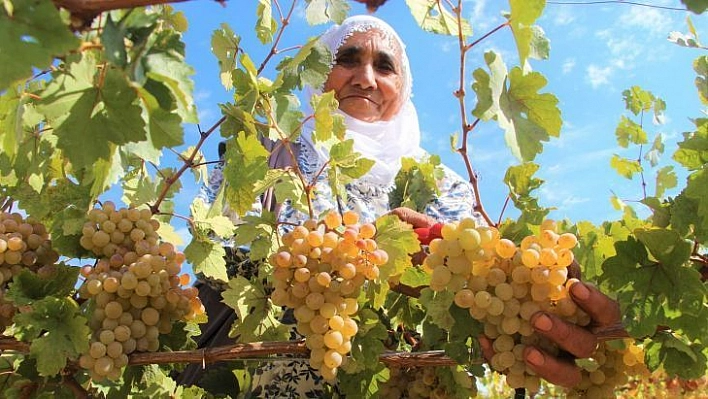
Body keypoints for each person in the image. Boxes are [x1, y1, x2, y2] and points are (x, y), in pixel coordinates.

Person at [178, 14, 622, 397]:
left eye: (384, 66)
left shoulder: (440, 183)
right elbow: (214, 259)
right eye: (347, 58)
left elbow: (482, 293)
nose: (365, 77)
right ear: (320, 75)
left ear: (402, 85)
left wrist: (544, 306)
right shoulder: (264, 156)